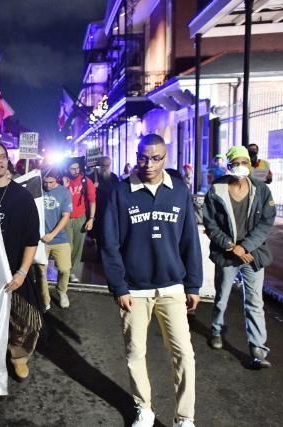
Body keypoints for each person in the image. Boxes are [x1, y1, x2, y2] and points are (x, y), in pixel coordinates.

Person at [101, 134, 202, 427]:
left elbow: (190, 241)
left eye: (156, 158)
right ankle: (143, 408)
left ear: (165, 158)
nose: (148, 164)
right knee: (136, 352)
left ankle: (185, 417)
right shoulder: (122, 192)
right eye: (143, 157)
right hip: (134, 289)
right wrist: (119, 286)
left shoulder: (178, 191)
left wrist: (193, 284)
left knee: (184, 353)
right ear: (136, 155)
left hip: (172, 286)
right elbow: (110, 244)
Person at [203, 145, 276, 369]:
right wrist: (228, 245)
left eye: (245, 162)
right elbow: (210, 222)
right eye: (237, 163)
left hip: (252, 255)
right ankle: (216, 331)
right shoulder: (217, 190)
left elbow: (266, 222)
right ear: (229, 164)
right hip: (227, 254)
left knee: (254, 301)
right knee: (222, 296)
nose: (241, 167)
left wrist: (245, 247)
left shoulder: (261, 190)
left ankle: (258, 349)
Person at [0, 140, 41, 381]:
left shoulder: (22, 196)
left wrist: (22, 273)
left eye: (2, 156)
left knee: (21, 321)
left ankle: (18, 357)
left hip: (15, 270)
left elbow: (31, 240)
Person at [38, 168, 72, 310]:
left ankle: (62, 291)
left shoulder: (64, 192)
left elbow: (66, 216)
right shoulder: (37, 190)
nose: (47, 186)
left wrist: (52, 234)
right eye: (45, 182)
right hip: (40, 239)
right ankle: (45, 299)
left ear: (56, 179)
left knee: (65, 269)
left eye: (51, 182)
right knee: (41, 272)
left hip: (60, 238)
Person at [64, 158, 96, 283]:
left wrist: (91, 218)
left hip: (80, 218)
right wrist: (64, 187)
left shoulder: (86, 182)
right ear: (67, 169)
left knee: (77, 248)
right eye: (72, 168)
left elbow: (92, 201)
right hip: (65, 218)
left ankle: (72, 272)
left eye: (77, 168)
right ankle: (65, 270)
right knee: (67, 247)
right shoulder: (63, 181)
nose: (75, 171)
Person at [91, 156, 119, 256]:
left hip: (110, 209)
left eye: (108, 165)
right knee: (99, 233)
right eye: (103, 165)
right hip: (98, 209)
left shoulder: (114, 177)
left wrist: (100, 186)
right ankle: (99, 254)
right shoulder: (93, 176)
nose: (106, 167)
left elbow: (115, 190)